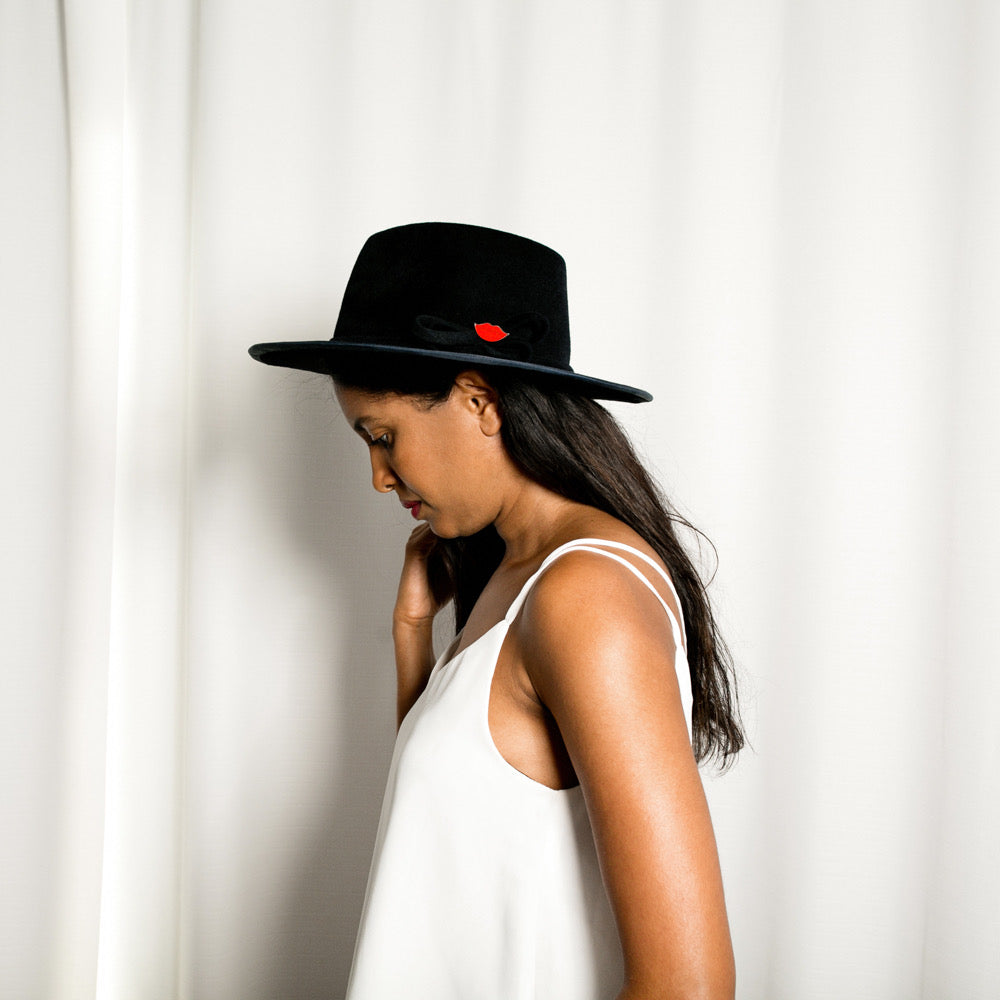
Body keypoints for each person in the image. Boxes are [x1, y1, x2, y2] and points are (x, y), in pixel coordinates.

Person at [249, 222, 744, 1000]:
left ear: (480, 400)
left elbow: (689, 983)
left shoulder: (586, 594)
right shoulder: (522, 576)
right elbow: (460, 827)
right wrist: (413, 633)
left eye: (383, 436)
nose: (379, 478)